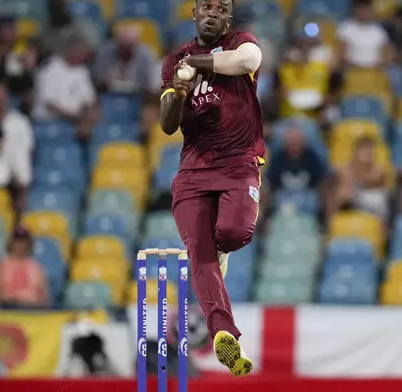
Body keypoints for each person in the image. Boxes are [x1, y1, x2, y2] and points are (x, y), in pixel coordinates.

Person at [159, 0, 263, 376]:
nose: (213, 13)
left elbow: (247, 62)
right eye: (207, 6)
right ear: (195, 13)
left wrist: (198, 65)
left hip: (239, 164)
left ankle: (220, 248)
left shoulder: (241, 42)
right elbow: (168, 124)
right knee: (201, 255)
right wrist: (179, 89)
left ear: (228, 18)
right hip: (192, 172)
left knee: (233, 234)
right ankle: (224, 333)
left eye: (221, 8)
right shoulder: (175, 61)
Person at [0, 226, 49, 309]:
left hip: (33, 310)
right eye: (17, 242)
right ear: (11, 243)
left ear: (28, 244)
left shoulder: (37, 267)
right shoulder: (2, 265)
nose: (20, 245)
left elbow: (44, 297)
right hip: (8, 309)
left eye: (23, 242)